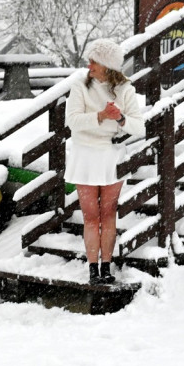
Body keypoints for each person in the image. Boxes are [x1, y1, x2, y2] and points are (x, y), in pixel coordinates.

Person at [65, 38, 145, 285]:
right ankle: (93, 269)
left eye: (94, 62)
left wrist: (119, 118)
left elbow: (139, 126)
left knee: (108, 214)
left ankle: (106, 267)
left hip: (111, 155)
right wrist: (100, 116)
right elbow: (72, 121)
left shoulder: (125, 89)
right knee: (91, 216)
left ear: (107, 65)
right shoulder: (79, 86)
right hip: (85, 155)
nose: (89, 66)